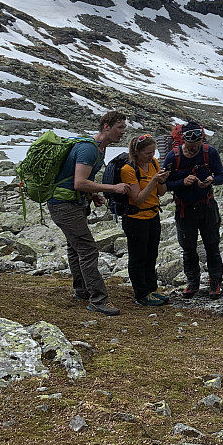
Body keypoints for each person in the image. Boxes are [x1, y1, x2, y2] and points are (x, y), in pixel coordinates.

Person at [48, 111, 128, 316]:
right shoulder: (89, 149)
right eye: (120, 127)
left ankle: (82, 290)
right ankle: (98, 299)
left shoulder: (98, 148)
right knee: (88, 249)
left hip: (71, 202)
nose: (123, 131)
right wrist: (112, 188)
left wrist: (92, 195)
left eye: (124, 127)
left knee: (75, 248)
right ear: (106, 127)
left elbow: (79, 180)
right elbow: (79, 182)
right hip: (64, 205)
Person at [162, 121, 223, 299]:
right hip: (185, 209)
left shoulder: (209, 152)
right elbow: (163, 184)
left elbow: (221, 176)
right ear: (184, 141)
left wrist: (212, 180)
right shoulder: (172, 156)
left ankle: (215, 281)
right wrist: (182, 183)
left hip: (207, 205)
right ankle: (192, 282)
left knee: (212, 244)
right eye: (190, 146)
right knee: (188, 247)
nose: (194, 149)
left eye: (197, 145)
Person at [119, 133, 170, 307]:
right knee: (138, 257)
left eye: (153, 152)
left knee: (151, 254)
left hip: (153, 215)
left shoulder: (154, 163)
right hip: (136, 218)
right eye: (148, 153)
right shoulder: (128, 170)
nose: (152, 156)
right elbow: (138, 199)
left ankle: (151, 289)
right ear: (137, 152)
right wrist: (153, 180)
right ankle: (141, 294)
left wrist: (161, 180)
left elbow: (161, 192)